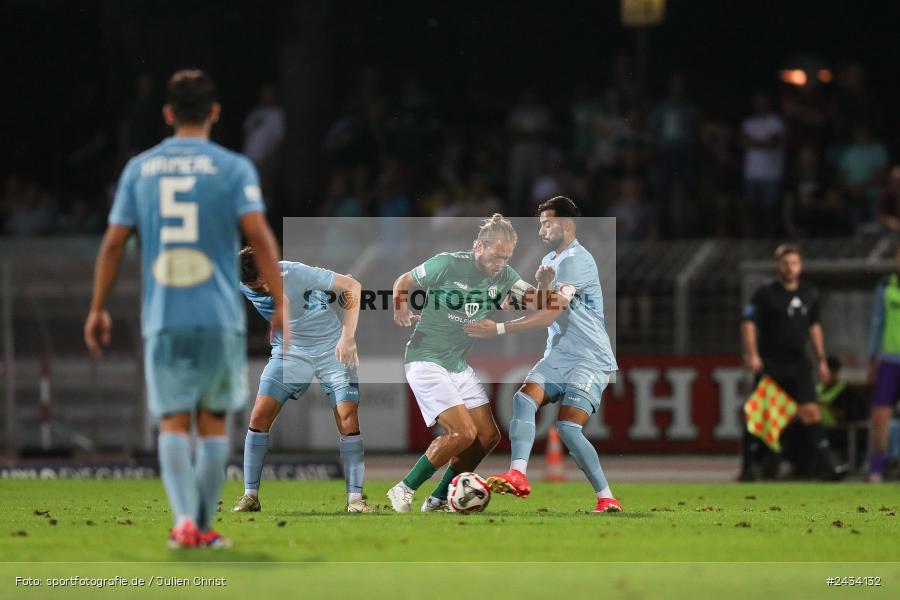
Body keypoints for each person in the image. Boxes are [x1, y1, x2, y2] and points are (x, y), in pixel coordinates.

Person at [83, 70, 286, 549]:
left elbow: (114, 244)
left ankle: (184, 525)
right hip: (217, 315)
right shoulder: (234, 168)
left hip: (165, 315)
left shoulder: (139, 169)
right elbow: (259, 235)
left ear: (168, 115)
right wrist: (280, 303)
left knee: (174, 420)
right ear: (215, 112)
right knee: (213, 421)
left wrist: (98, 308)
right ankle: (205, 527)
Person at [481, 197, 622, 513]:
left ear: (567, 224)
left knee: (569, 429)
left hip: (589, 357)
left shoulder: (577, 260)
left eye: (547, 222)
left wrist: (501, 328)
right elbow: (544, 301)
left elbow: (547, 313)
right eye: (540, 223)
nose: (542, 229)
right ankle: (517, 474)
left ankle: (606, 497)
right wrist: (517, 297)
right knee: (523, 399)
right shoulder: (551, 259)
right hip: (559, 354)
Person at [386, 214, 533, 512]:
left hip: (456, 364)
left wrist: (554, 292)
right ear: (479, 246)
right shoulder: (449, 263)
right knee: (463, 433)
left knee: (488, 436)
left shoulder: (504, 276)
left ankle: (439, 498)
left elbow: (534, 298)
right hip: (426, 359)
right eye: (495, 256)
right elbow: (403, 281)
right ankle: (403, 489)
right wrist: (400, 307)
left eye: (505, 257)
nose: (500, 263)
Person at [231, 248, 373, 513]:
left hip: (332, 347)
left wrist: (348, 337)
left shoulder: (293, 271)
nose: (261, 286)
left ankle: (355, 500)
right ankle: (250, 496)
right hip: (290, 352)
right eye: (254, 284)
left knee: (347, 417)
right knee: (259, 416)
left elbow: (352, 285)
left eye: (262, 278)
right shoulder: (240, 281)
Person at [740, 244, 845, 481]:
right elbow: (748, 324)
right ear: (778, 265)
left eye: (795, 263)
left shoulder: (809, 294)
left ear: (801, 265)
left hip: (799, 363)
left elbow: (814, 327)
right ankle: (747, 468)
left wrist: (821, 360)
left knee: (811, 411)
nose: (790, 268)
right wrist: (753, 355)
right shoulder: (764, 295)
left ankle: (828, 466)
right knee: (758, 417)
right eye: (786, 263)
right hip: (771, 363)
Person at [866, 244, 900, 482]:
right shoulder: (886, 287)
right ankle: (877, 468)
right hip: (889, 361)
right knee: (880, 418)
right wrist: (871, 360)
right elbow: (877, 325)